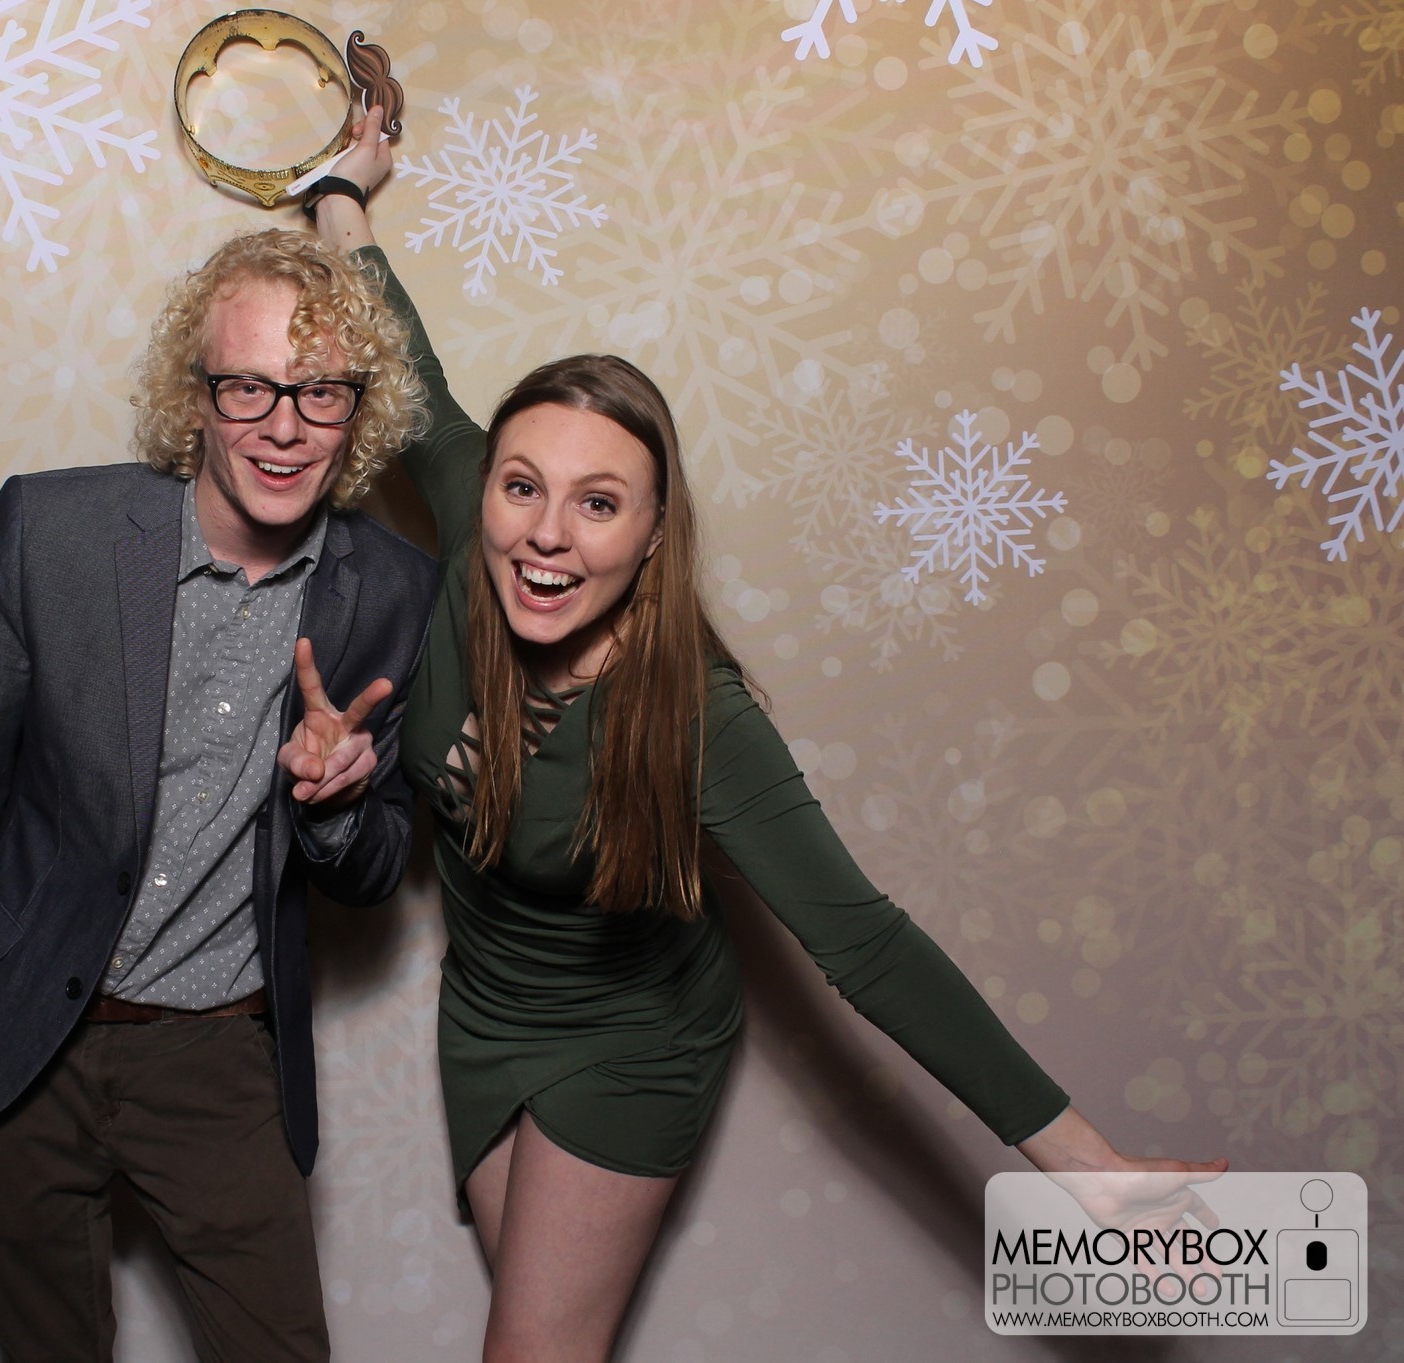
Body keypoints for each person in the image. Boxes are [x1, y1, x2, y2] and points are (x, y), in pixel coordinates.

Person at [304, 113, 1226, 1363]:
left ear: (651, 535)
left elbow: (868, 946)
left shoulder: (694, 715)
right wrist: (343, 196)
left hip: (629, 1042)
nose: (545, 533)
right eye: (524, 486)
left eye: (597, 503)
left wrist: (1088, 1166)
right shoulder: (475, 530)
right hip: (482, 1015)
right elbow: (405, 365)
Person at [0, 227, 439, 1363]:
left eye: (319, 391)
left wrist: (335, 804)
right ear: (196, 395)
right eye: (248, 386)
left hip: (218, 1055)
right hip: (21, 1030)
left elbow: (377, 872)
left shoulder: (395, 595)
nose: (282, 425)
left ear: (355, 411)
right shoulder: (51, 533)